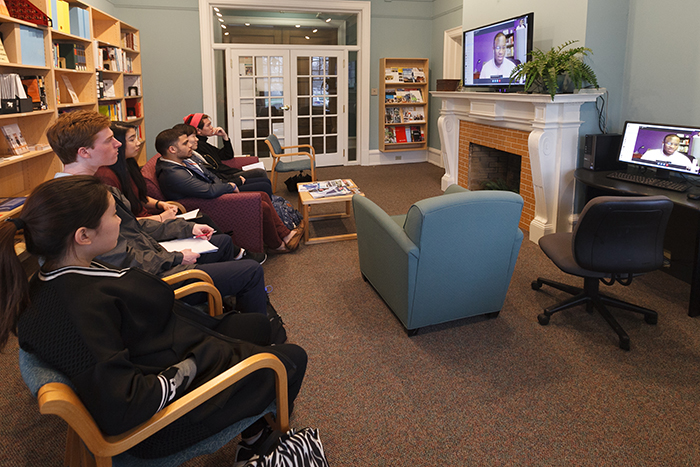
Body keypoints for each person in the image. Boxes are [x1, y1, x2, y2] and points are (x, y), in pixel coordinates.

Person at [0, 176, 307, 461]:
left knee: (255, 326)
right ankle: (260, 437)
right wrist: (198, 362)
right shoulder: (78, 309)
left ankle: (254, 425)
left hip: (160, 348)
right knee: (291, 359)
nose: (121, 220)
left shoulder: (53, 279)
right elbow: (127, 406)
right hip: (160, 422)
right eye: (113, 215)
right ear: (83, 235)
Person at [46, 110, 269, 312]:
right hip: (146, 279)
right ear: (84, 152)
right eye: (109, 140)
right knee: (250, 271)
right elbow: (118, 260)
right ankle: (259, 330)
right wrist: (175, 257)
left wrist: (186, 227)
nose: (118, 144)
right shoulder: (81, 202)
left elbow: (133, 227)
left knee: (221, 244)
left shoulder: (99, 187)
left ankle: (225, 307)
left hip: (150, 260)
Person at [155, 128, 303, 254]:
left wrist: (225, 184)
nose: (190, 145)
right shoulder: (173, 173)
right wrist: (230, 186)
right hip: (203, 206)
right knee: (261, 204)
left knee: (262, 195)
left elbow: (210, 175)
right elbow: (209, 190)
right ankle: (277, 244)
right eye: (185, 143)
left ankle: (285, 234)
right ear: (172, 149)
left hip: (210, 196)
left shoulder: (180, 161)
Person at [95, 122, 180, 221]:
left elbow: (138, 198)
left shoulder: (129, 163)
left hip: (147, 221)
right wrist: (161, 218)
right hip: (140, 228)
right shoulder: (106, 176)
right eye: (132, 139)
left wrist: (161, 204)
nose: (138, 142)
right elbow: (123, 223)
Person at [172, 122, 272, 197]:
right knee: (262, 179)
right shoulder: (193, 152)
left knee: (263, 179)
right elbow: (210, 178)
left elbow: (226, 156)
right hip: (224, 180)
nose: (212, 127)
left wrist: (225, 137)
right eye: (208, 125)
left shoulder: (200, 147)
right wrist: (232, 182)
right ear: (199, 131)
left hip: (224, 178)